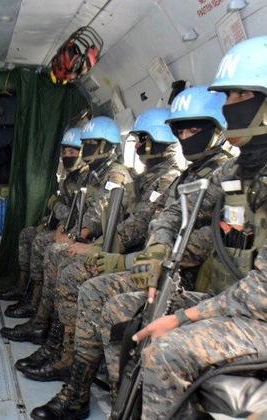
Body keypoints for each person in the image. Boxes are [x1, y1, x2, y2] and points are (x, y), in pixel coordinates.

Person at [29, 85, 232, 419]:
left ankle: (89, 386)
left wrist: (120, 258)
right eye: (181, 130)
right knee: (74, 268)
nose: (185, 137)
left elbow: (200, 242)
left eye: (194, 130)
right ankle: (77, 373)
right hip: (154, 264)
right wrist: (106, 248)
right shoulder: (190, 175)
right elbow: (154, 220)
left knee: (88, 284)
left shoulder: (198, 175)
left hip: (186, 277)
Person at [100, 36, 267, 420]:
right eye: (228, 96)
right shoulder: (238, 169)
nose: (229, 106)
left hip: (257, 316)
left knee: (165, 349)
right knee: (120, 312)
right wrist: (158, 252)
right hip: (229, 305)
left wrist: (182, 318)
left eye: (241, 95)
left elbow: (261, 296)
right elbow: (175, 211)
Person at [1, 116, 134, 352]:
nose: (81, 151)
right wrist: (64, 229)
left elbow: (98, 214)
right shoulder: (92, 174)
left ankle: (51, 332)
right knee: (42, 241)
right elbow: (77, 211)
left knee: (55, 252)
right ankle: (38, 312)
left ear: (106, 145)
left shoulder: (115, 175)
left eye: (88, 145)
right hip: (89, 237)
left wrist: (73, 237)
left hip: (107, 243)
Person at [0, 128, 86, 314]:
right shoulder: (69, 178)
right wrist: (47, 222)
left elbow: (75, 216)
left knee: (41, 242)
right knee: (28, 233)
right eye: (64, 152)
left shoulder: (86, 180)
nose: (67, 156)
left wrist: (55, 205)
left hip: (80, 234)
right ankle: (24, 288)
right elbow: (65, 212)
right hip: (65, 228)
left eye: (72, 152)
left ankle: (37, 304)